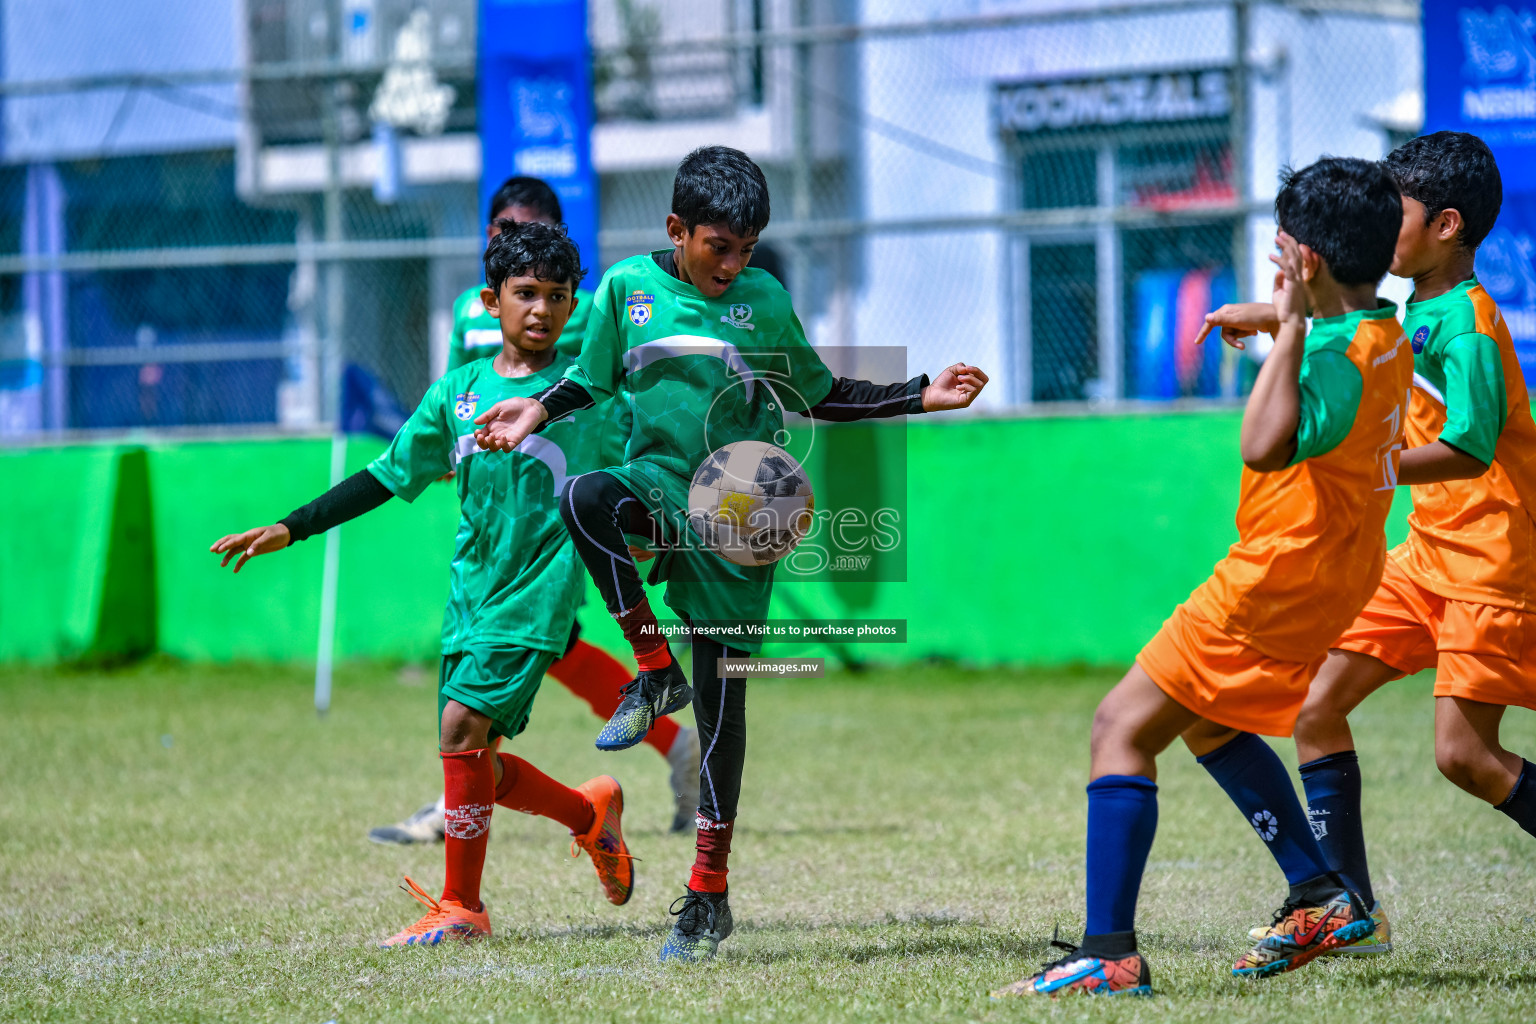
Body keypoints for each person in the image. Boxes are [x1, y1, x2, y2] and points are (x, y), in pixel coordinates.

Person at [472, 145, 989, 961]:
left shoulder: (763, 299)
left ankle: (707, 894)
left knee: (722, 707)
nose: (734, 263)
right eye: (720, 245)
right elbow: (590, 379)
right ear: (677, 229)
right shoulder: (625, 292)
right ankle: (651, 665)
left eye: (748, 249)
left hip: (741, 507)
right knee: (586, 497)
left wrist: (922, 394)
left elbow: (817, 392)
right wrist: (535, 410)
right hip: (657, 481)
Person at [992, 157, 1413, 998]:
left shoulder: (1321, 356)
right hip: (1337, 575)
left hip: (1273, 580)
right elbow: (1349, 333)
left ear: (1307, 264)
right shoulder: (1385, 333)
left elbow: (1262, 442)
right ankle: (1321, 890)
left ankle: (1108, 954)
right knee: (1207, 721)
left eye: (1281, 250)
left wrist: (1287, 330)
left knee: (1121, 727)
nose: (1274, 259)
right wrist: (1279, 316)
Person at [211, 222, 635, 945]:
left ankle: (462, 908)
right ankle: (586, 813)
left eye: (558, 296)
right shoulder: (458, 393)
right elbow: (388, 475)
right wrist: (294, 525)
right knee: (477, 760)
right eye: (525, 293)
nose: (541, 309)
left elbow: (642, 460)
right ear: (489, 300)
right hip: (471, 593)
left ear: (574, 307)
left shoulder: (584, 395)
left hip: (540, 592)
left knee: (459, 729)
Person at [1209, 132, 1536, 956]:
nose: (1383, 225)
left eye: (1400, 213)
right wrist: (1269, 312)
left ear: (1448, 227)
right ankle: (1345, 910)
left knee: (1465, 757)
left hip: (1492, 564)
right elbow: (1358, 324)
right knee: (1314, 704)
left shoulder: (1468, 324)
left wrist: (1371, 466)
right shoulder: (1413, 309)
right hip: (1426, 557)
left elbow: (1472, 446)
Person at [371, 175, 701, 844]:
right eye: (500, 233)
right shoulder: (473, 307)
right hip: (496, 514)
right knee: (556, 652)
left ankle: (462, 812)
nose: (539, 302)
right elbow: (472, 392)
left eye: (528, 234)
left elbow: (609, 400)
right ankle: (667, 751)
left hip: (560, 513)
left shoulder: (585, 311)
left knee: (527, 650)